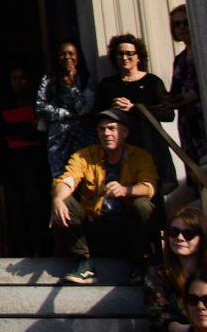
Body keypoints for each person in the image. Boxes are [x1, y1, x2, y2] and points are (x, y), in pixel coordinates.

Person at [49, 109, 158, 284]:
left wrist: (125, 190)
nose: (106, 133)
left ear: (125, 132)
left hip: (126, 229)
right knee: (64, 200)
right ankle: (83, 263)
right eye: (102, 129)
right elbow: (67, 180)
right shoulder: (85, 155)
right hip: (95, 227)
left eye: (111, 128)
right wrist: (57, 199)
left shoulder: (140, 156)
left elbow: (149, 186)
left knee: (143, 205)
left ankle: (138, 263)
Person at [92, 32, 176, 193]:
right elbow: (96, 116)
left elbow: (168, 114)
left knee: (153, 190)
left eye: (130, 53)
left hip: (150, 144)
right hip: (121, 148)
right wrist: (111, 112)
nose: (125, 57)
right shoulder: (108, 85)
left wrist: (134, 108)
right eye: (120, 53)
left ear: (139, 57)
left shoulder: (152, 81)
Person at [0, 64, 50, 257]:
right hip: (12, 163)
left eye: (22, 77)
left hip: (35, 162)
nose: (18, 82)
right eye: (14, 78)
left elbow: (40, 132)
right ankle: (20, 249)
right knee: (15, 206)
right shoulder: (6, 101)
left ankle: (40, 248)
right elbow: (0, 127)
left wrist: (20, 130)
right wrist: (26, 129)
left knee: (35, 203)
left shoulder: (38, 102)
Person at [35, 39, 94, 180]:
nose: (67, 57)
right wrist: (65, 113)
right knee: (62, 180)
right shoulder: (49, 79)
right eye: (63, 54)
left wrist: (73, 87)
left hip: (83, 137)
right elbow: (40, 106)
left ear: (78, 56)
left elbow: (85, 109)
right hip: (58, 140)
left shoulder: (87, 80)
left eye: (71, 53)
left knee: (86, 177)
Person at [166, 6, 207, 165]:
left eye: (185, 22)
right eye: (177, 24)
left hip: (205, 118)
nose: (181, 27)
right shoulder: (180, 59)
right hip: (187, 121)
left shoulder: (205, 52)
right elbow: (174, 91)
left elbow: (202, 87)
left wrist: (183, 99)